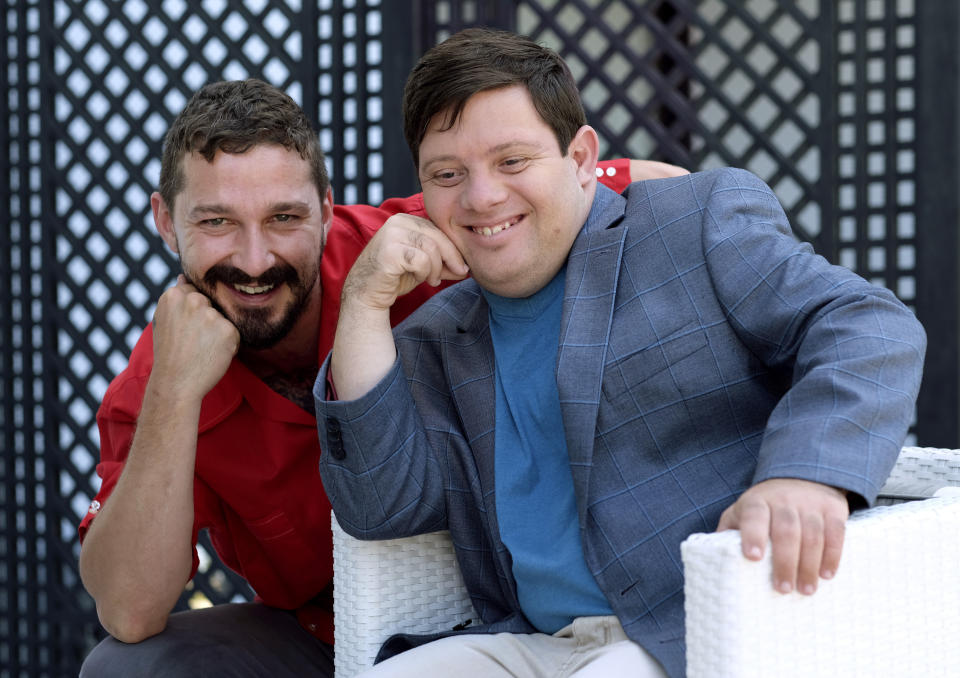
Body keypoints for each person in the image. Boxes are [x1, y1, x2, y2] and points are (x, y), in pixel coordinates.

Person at [315, 28, 927, 678]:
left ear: (581, 158)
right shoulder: (439, 335)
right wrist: (361, 303)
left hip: (694, 629)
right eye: (447, 175)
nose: (481, 196)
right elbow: (380, 509)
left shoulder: (692, 224)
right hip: (528, 642)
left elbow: (866, 324)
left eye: (512, 161)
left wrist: (804, 474)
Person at [76, 77, 678, 676]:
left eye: (284, 217)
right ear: (165, 221)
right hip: (321, 633)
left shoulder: (412, 245)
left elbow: (647, 185)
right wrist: (175, 393)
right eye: (217, 223)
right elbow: (128, 610)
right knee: (127, 667)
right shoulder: (154, 384)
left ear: (327, 210)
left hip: (517, 606)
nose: (254, 260)